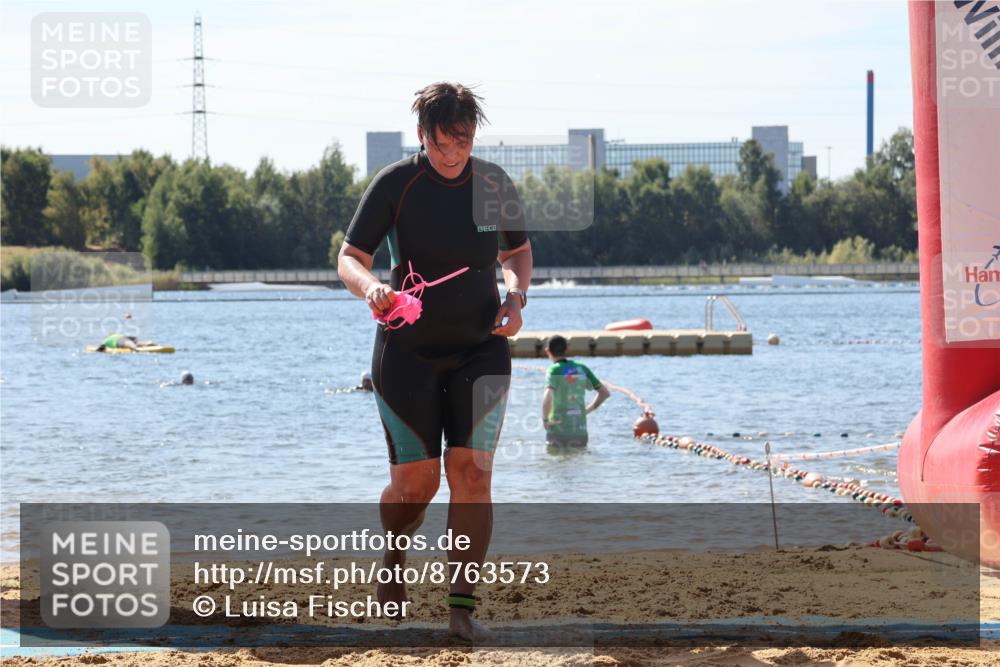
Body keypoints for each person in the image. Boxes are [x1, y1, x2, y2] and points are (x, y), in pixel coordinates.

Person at [337, 82, 533, 641]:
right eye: (442, 145)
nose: (452, 156)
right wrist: (370, 288)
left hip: (481, 346)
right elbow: (351, 257)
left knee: (471, 473)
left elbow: (515, 250)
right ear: (422, 136)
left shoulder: (493, 183)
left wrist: (516, 297)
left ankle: (461, 609)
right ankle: (394, 560)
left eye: (463, 144)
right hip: (408, 352)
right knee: (414, 487)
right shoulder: (397, 184)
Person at [542, 335, 610, 451]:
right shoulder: (582, 368)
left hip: (557, 432)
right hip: (580, 432)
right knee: (578, 463)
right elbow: (604, 393)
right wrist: (586, 411)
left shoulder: (554, 370)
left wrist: (545, 420)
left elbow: (548, 396)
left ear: (547, 351)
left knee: (556, 465)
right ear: (567, 349)